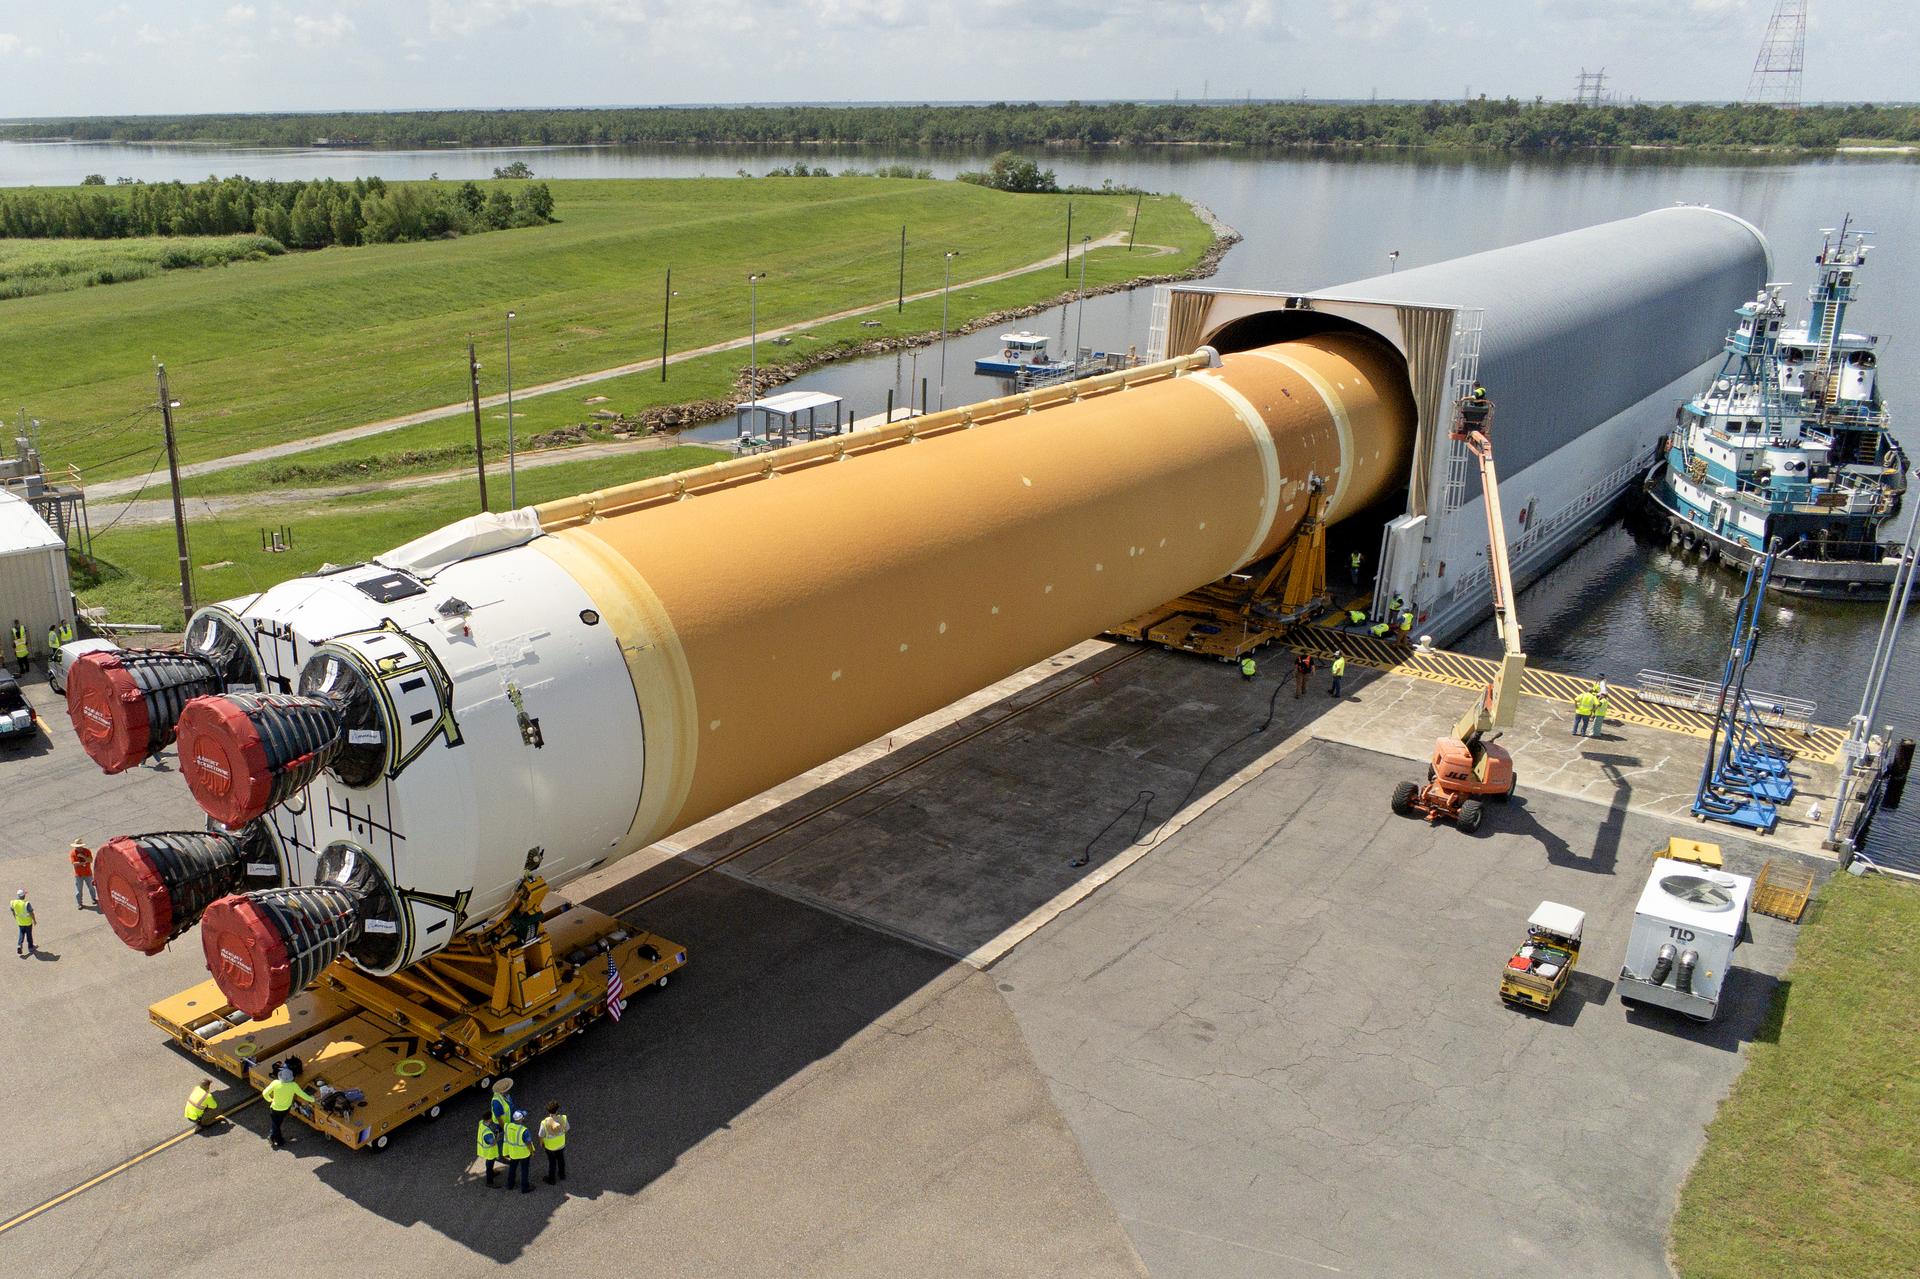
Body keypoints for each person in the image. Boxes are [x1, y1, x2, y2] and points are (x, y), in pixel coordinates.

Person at [262, 1066, 313, 1150]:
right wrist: (313, 1099)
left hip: (275, 1108)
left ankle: (278, 1141)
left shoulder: (275, 1083)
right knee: (277, 1123)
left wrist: (270, 1100)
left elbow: (265, 1093)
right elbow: (303, 1095)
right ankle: (272, 1136)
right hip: (285, 1109)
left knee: (276, 1124)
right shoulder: (293, 1085)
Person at [503, 1110, 534, 1193]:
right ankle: (525, 1188)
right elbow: (528, 1143)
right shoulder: (524, 1130)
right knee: (524, 1170)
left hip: (513, 1153)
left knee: (512, 1168)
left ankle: (510, 1184)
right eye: (523, 1117)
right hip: (523, 1154)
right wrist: (531, 1151)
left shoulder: (507, 1126)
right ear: (521, 1119)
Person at [539, 1101, 569, 1185]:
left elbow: (541, 1135)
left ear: (548, 1111)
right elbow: (566, 1129)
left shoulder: (544, 1123)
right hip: (561, 1144)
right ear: (557, 1110)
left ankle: (551, 1179)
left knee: (552, 1162)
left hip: (550, 1147)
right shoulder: (563, 1118)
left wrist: (541, 1143)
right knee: (561, 1159)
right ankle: (562, 1174)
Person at [476, 1109, 503, 1186]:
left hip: (484, 1150)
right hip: (489, 1152)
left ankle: (491, 1173)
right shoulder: (487, 1133)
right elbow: (492, 1143)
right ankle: (489, 1182)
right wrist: (497, 1136)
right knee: (489, 1165)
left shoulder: (481, 1123)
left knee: (490, 1164)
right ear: (489, 1119)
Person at [69, 841, 95, 909]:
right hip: (79, 875)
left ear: (82, 846)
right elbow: (74, 863)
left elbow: (91, 860)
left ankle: (94, 899)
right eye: (77, 847)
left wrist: (82, 856)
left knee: (91, 887)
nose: (78, 848)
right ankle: (80, 903)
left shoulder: (87, 851)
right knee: (79, 890)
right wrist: (83, 863)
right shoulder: (73, 853)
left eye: (79, 847)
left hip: (88, 873)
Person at [11, 890, 34, 958]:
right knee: (29, 934)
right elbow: (31, 913)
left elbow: (13, 911)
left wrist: (15, 917)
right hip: (28, 922)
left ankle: (19, 944)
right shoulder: (26, 903)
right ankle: (30, 947)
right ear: (23, 896)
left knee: (21, 933)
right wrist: (34, 920)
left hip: (20, 922)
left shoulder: (13, 902)